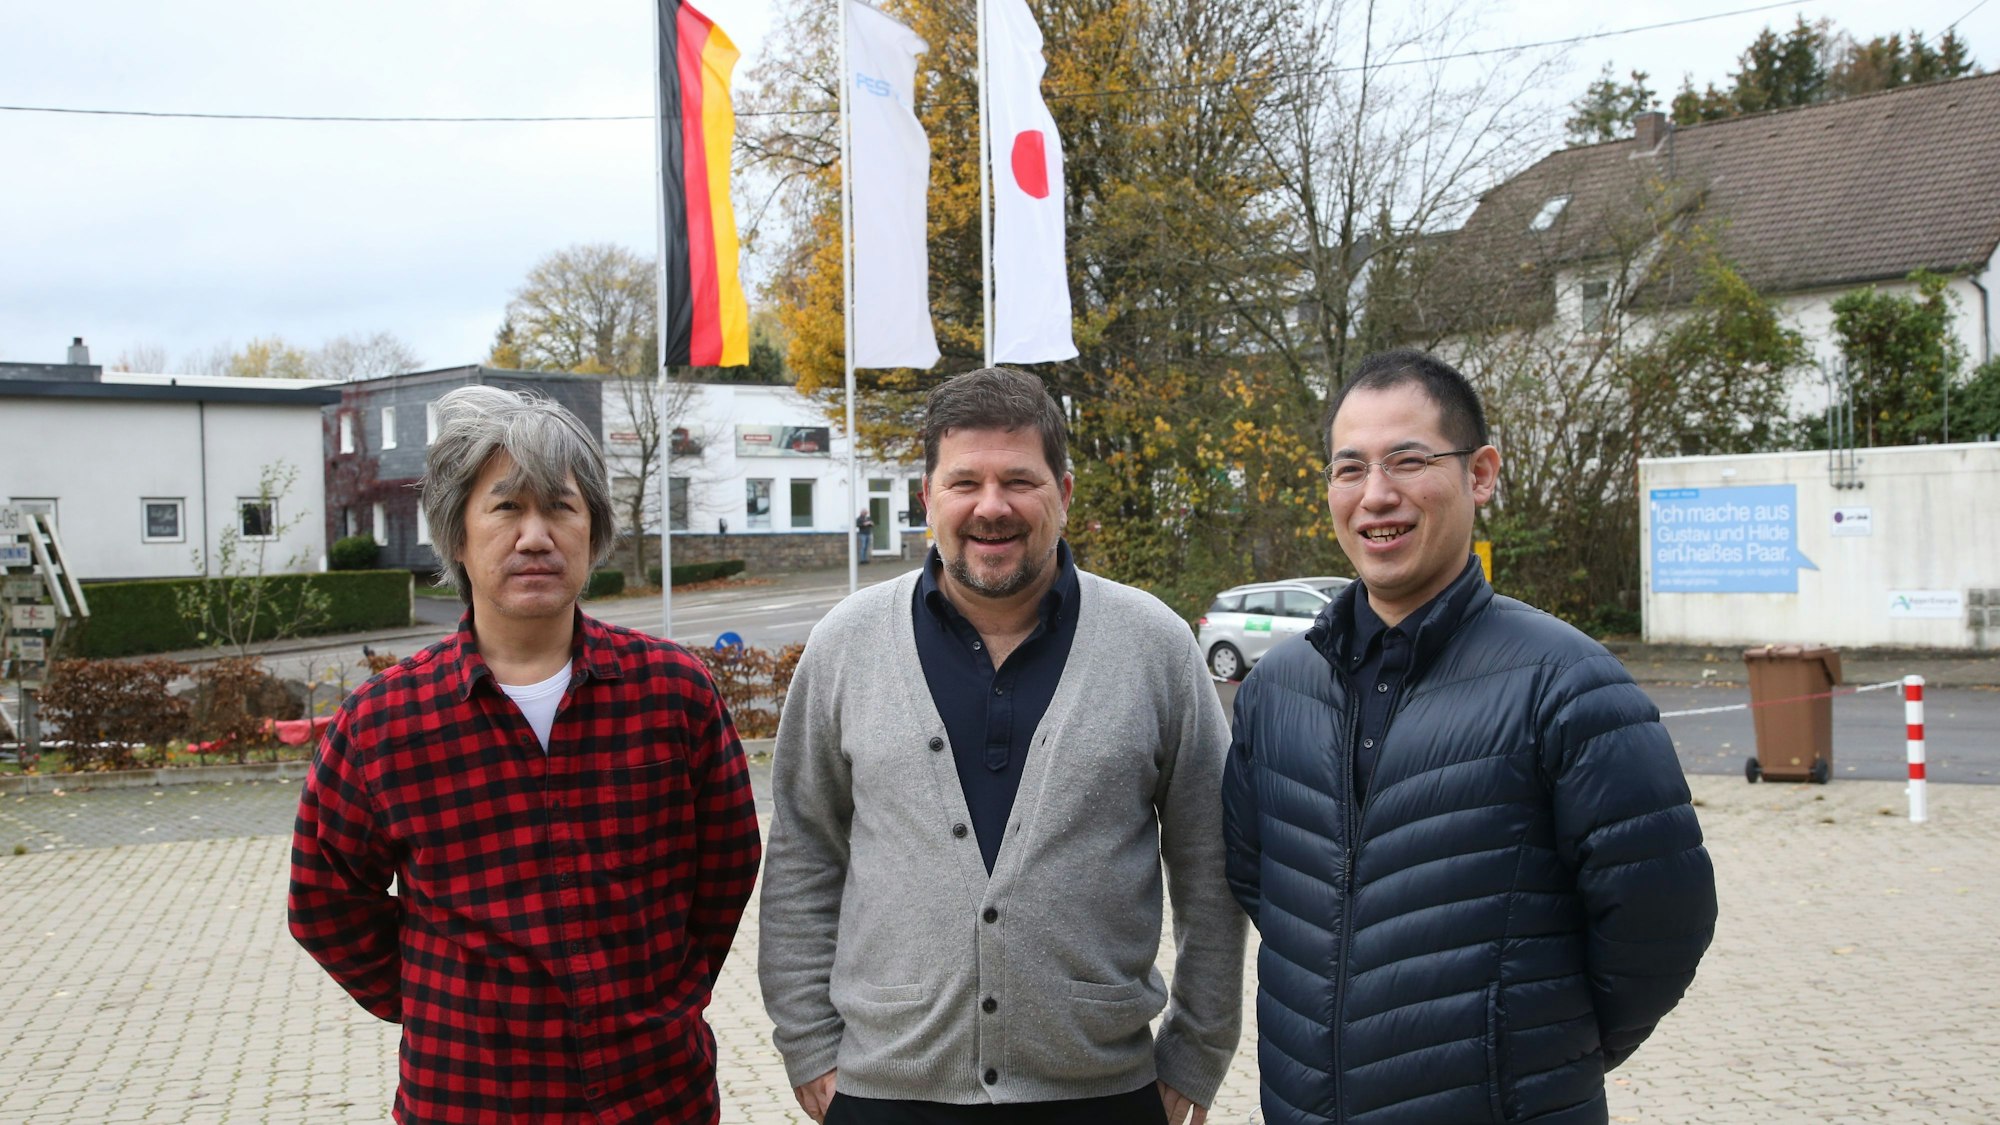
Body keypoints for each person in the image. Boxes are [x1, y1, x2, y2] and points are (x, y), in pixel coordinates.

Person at [1220, 349, 1717, 1125]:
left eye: (1408, 461)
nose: (1375, 495)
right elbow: (1264, 883)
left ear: (1479, 474)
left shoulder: (1569, 684)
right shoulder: (1279, 688)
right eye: (1349, 469)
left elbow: (1663, 921)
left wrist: (1531, 1046)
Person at [759, 367, 1245, 1125]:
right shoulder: (846, 646)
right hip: (886, 1094)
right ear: (927, 498)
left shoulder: (1153, 646)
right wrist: (809, 1043)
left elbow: (1211, 863)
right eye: (965, 483)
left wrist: (1196, 1053)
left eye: (1020, 479)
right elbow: (801, 852)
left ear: (1065, 494)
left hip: (1103, 1093)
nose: (992, 507)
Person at [288, 385, 762, 1124]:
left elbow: (726, 868)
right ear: (456, 533)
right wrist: (431, 993)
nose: (534, 535)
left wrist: (667, 991)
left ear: (592, 528)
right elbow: (324, 899)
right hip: (468, 1099)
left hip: (657, 1095)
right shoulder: (385, 723)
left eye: (560, 508)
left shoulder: (673, 693)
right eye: (506, 507)